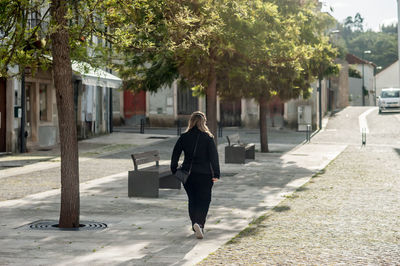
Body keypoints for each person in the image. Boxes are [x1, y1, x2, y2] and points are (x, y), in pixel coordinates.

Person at [170, 111, 220, 239]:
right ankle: (200, 223)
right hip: (205, 174)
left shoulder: (184, 137)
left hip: (188, 174)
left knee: (192, 200)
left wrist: (174, 169)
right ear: (203, 122)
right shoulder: (208, 138)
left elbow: (175, 154)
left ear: (191, 121)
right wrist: (216, 173)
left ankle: (194, 224)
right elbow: (214, 157)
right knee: (205, 200)